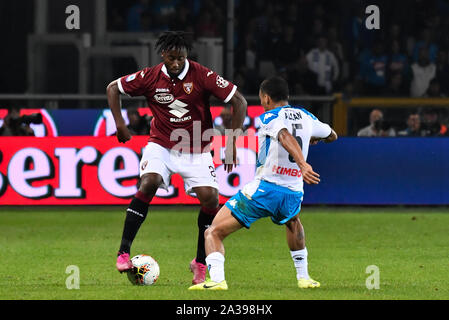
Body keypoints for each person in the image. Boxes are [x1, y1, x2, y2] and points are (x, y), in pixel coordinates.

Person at [106, 31, 248, 284]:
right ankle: (123, 251)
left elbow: (239, 101)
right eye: (172, 58)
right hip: (161, 145)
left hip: (196, 148)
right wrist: (120, 124)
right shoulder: (149, 76)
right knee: (148, 182)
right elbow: (112, 89)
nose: (176, 63)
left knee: (211, 200)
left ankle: (200, 263)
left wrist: (231, 142)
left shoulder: (202, 75)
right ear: (163, 55)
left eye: (181, 58)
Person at [188, 76, 338, 291]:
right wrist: (314, 138)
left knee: (212, 232)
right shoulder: (306, 116)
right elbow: (332, 134)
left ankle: (217, 281)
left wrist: (303, 163)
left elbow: (284, 136)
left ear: (266, 98)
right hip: (293, 191)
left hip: (265, 189)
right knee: (293, 222)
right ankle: (304, 278)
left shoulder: (269, 117)